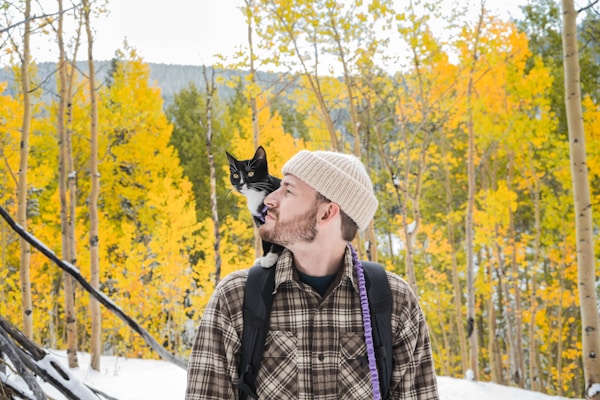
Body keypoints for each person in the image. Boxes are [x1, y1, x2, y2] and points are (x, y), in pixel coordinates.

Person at [185, 150, 439, 400]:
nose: (270, 199)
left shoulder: (394, 300)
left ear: (327, 213)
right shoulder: (235, 298)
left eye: (288, 191)